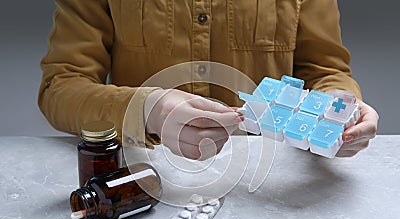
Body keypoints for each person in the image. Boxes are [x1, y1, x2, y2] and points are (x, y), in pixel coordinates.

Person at [38, 0, 378, 160]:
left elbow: (324, 70)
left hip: (269, 186)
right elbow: (62, 85)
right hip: (146, 170)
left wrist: (340, 108)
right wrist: (148, 109)